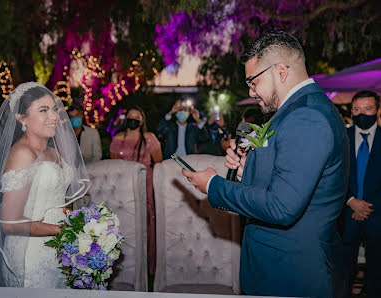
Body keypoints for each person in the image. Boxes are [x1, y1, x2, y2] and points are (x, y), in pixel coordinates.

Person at [182, 31, 349, 297]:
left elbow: (281, 207)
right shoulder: (293, 112)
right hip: (277, 269)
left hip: (294, 274)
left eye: (253, 81)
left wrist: (214, 185)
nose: (251, 92)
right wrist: (248, 168)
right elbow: (288, 181)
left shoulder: (306, 116)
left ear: (280, 71)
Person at [0, 82, 90, 288]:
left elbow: (52, 199)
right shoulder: (22, 154)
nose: (54, 117)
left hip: (60, 249)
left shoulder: (54, 152)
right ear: (21, 118)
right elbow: (10, 222)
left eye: (55, 109)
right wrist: (62, 231)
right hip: (31, 254)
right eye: (43, 110)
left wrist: (73, 220)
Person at [109, 106, 162, 275]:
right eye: (130, 116)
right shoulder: (118, 139)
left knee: (145, 220)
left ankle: (147, 264)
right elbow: (114, 166)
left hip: (145, 184)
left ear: (142, 120)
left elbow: (159, 162)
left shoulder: (149, 138)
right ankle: (126, 264)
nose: (133, 119)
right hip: (124, 186)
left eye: (136, 116)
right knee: (125, 219)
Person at [341, 90, 381, 297]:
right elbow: (333, 175)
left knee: (378, 272)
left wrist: (366, 206)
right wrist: (351, 201)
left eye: (368, 109)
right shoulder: (341, 139)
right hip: (346, 214)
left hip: (378, 215)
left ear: (378, 111)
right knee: (343, 271)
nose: (362, 114)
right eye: (357, 109)